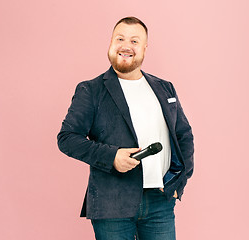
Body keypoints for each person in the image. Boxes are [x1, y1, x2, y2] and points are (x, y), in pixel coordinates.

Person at [57, 16, 194, 240]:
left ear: (144, 48)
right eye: (120, 38)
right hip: (111, 204)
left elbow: (184, 135)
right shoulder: (90, 90)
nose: (126, 46)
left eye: (134, 41)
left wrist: (181, 180)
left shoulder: (165, 88)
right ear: (111, 43)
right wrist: (112, 157)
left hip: (160, 202)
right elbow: (67, 138)